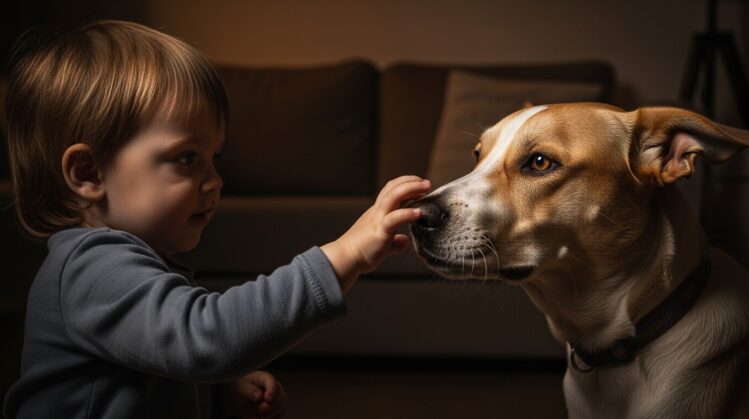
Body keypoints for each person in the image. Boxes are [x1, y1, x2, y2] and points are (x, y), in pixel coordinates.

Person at [2, 20, 430, 418]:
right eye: (187, 158)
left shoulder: (123, 261)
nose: (214, 180)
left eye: (215, 157)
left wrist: (217, 388)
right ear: (88, 173)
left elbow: (152, 361)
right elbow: (207, 338)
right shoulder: (91, 266)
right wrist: (345, 254)